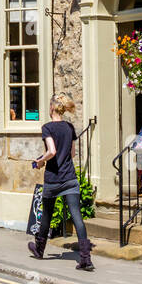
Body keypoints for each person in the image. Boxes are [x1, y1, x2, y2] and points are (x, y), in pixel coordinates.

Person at [27, 94, 93, 271]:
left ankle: (39, 250)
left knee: (46, 215)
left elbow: (52, 151)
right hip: (70, 178)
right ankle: (86, 258)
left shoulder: (47, 128)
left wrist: (40, 160)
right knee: (77, 216)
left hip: (54, 179)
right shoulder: (69, 127)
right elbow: (72, 154)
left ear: (52, 108)